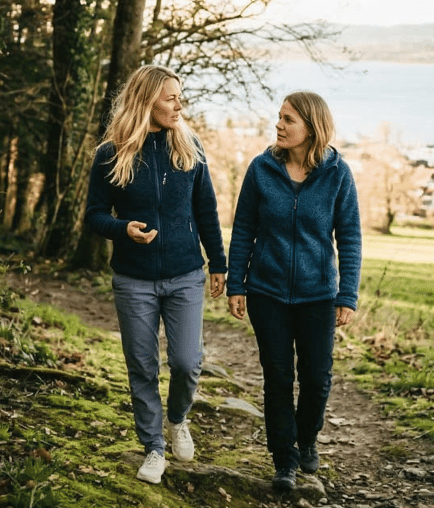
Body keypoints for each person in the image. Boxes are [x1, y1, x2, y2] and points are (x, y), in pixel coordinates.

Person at [85, 65, 227, 485]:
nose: (179, 104)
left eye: (180, 96)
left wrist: (217, 263)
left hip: (186, 274)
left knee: (186, 362)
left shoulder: (190, 148)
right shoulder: (110, 153)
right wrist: (122, 229)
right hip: (133, 279)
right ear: (147, 100)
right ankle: (153, 447)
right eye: (171, 97)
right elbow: (94, 215)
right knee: (142, 366)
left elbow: (206, 211)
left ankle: (178, 419)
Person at [226, 91, 362, 492]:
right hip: (266, 293)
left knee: (318, 379)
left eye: (288, 120)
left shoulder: (337, 173)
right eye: (279, 118)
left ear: (311, 127)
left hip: (319, 295)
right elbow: (244, 229)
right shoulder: (261, 169)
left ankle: (306, 441)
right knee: (278, 377)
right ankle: (283, 459)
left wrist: (347, 294)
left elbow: (350, 238)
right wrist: (237, 284)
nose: (279, 125)